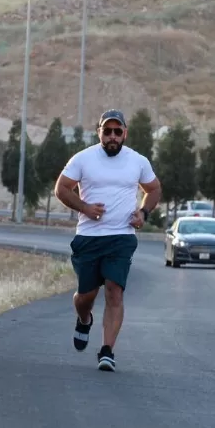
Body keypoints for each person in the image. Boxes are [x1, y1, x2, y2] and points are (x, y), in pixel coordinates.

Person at [54, 109, 162, 371]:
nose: (112, 136)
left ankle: (107, 351)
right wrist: (84, 208)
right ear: (99, 132)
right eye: (107, 131)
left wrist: (144, 212)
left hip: (122, 237)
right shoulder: (83, 159)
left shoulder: (137, 161)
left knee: (115, 290)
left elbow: (154, 188)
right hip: (89, 237)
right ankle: (84, 319)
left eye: (117, 131)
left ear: (125, 133)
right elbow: (61, 188)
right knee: (86, 295)